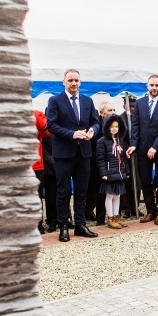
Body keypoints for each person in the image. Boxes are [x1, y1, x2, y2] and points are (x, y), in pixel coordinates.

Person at [46, 70, 101, 242]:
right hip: (64, 154)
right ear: (64, 82)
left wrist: (93, 130)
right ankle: (63, 226)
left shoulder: (87, 100)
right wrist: (72, 134)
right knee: (63, 191)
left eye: (76, 80)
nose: (74, 83)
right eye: (70, 80)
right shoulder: (55, 101)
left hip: (83, 153)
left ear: (80, 82)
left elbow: (96, 121)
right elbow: (51, 125)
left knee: (81, 191)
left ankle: (80, 225)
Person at [128, 75, 158, 225]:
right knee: (145, 180)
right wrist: (134, 143)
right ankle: (150, 210)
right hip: (142, 147)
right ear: (147, 86)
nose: (154, 88)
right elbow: (135, 125)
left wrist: (155, 147)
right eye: (152, 85)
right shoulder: (140, 103)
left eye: (157, 85)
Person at [97, 114, 129, 229]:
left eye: (116, 126)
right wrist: (103, 173)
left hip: (119, 172)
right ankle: (110, 218)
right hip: (109, 173)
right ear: (106, 127)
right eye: (111, 126)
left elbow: (123, 158)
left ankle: (116, 217)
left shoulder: (119, 140)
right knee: (109, 195)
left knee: (118, 196)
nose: (114, 128)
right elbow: (100, 159)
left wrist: (127, 171)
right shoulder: (102, 141)